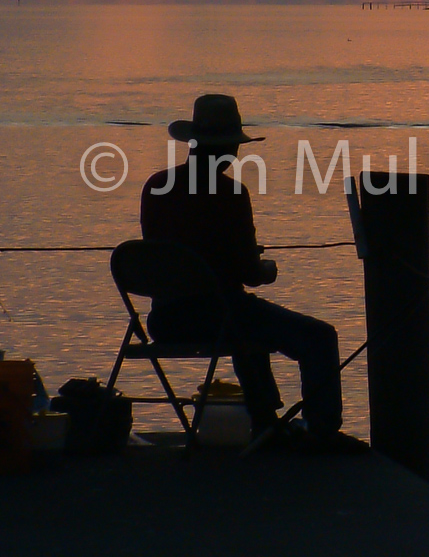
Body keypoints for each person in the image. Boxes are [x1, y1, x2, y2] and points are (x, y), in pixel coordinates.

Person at [141, 94, 353, 450]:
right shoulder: (230, 193)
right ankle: (322, 431)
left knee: (244, 316)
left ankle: (266, 424)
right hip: (216, 315)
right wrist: (266, 267)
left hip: (164, 318)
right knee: (318, 337)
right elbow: (249, 274)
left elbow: (171, 253)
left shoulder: (156, 186)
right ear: (225, 149)